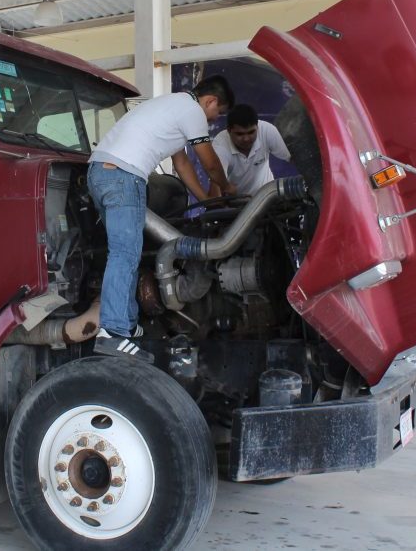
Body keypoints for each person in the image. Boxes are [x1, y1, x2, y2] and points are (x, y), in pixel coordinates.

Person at [87, 76, 236, 361]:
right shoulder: (192, 111)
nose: (215, 119)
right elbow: (209, 162)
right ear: (211, 101)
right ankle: (113, 333)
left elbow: (181, 165)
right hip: (123, 175)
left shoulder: (173, 106)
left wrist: (207, 202)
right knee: (124, 253)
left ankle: (126, 326)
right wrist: (226, 188)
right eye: (218, 113)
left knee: (127, 252)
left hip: (101, 172)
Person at [211, 104, 291, 196]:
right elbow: (216, 182)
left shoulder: (267, 130)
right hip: (236, 202)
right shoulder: (221, 145)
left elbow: (293, 157)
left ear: (257, 127)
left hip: (268, 198)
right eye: (240, 134)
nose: (246, 139)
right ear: (229, 131)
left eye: (251, 132)